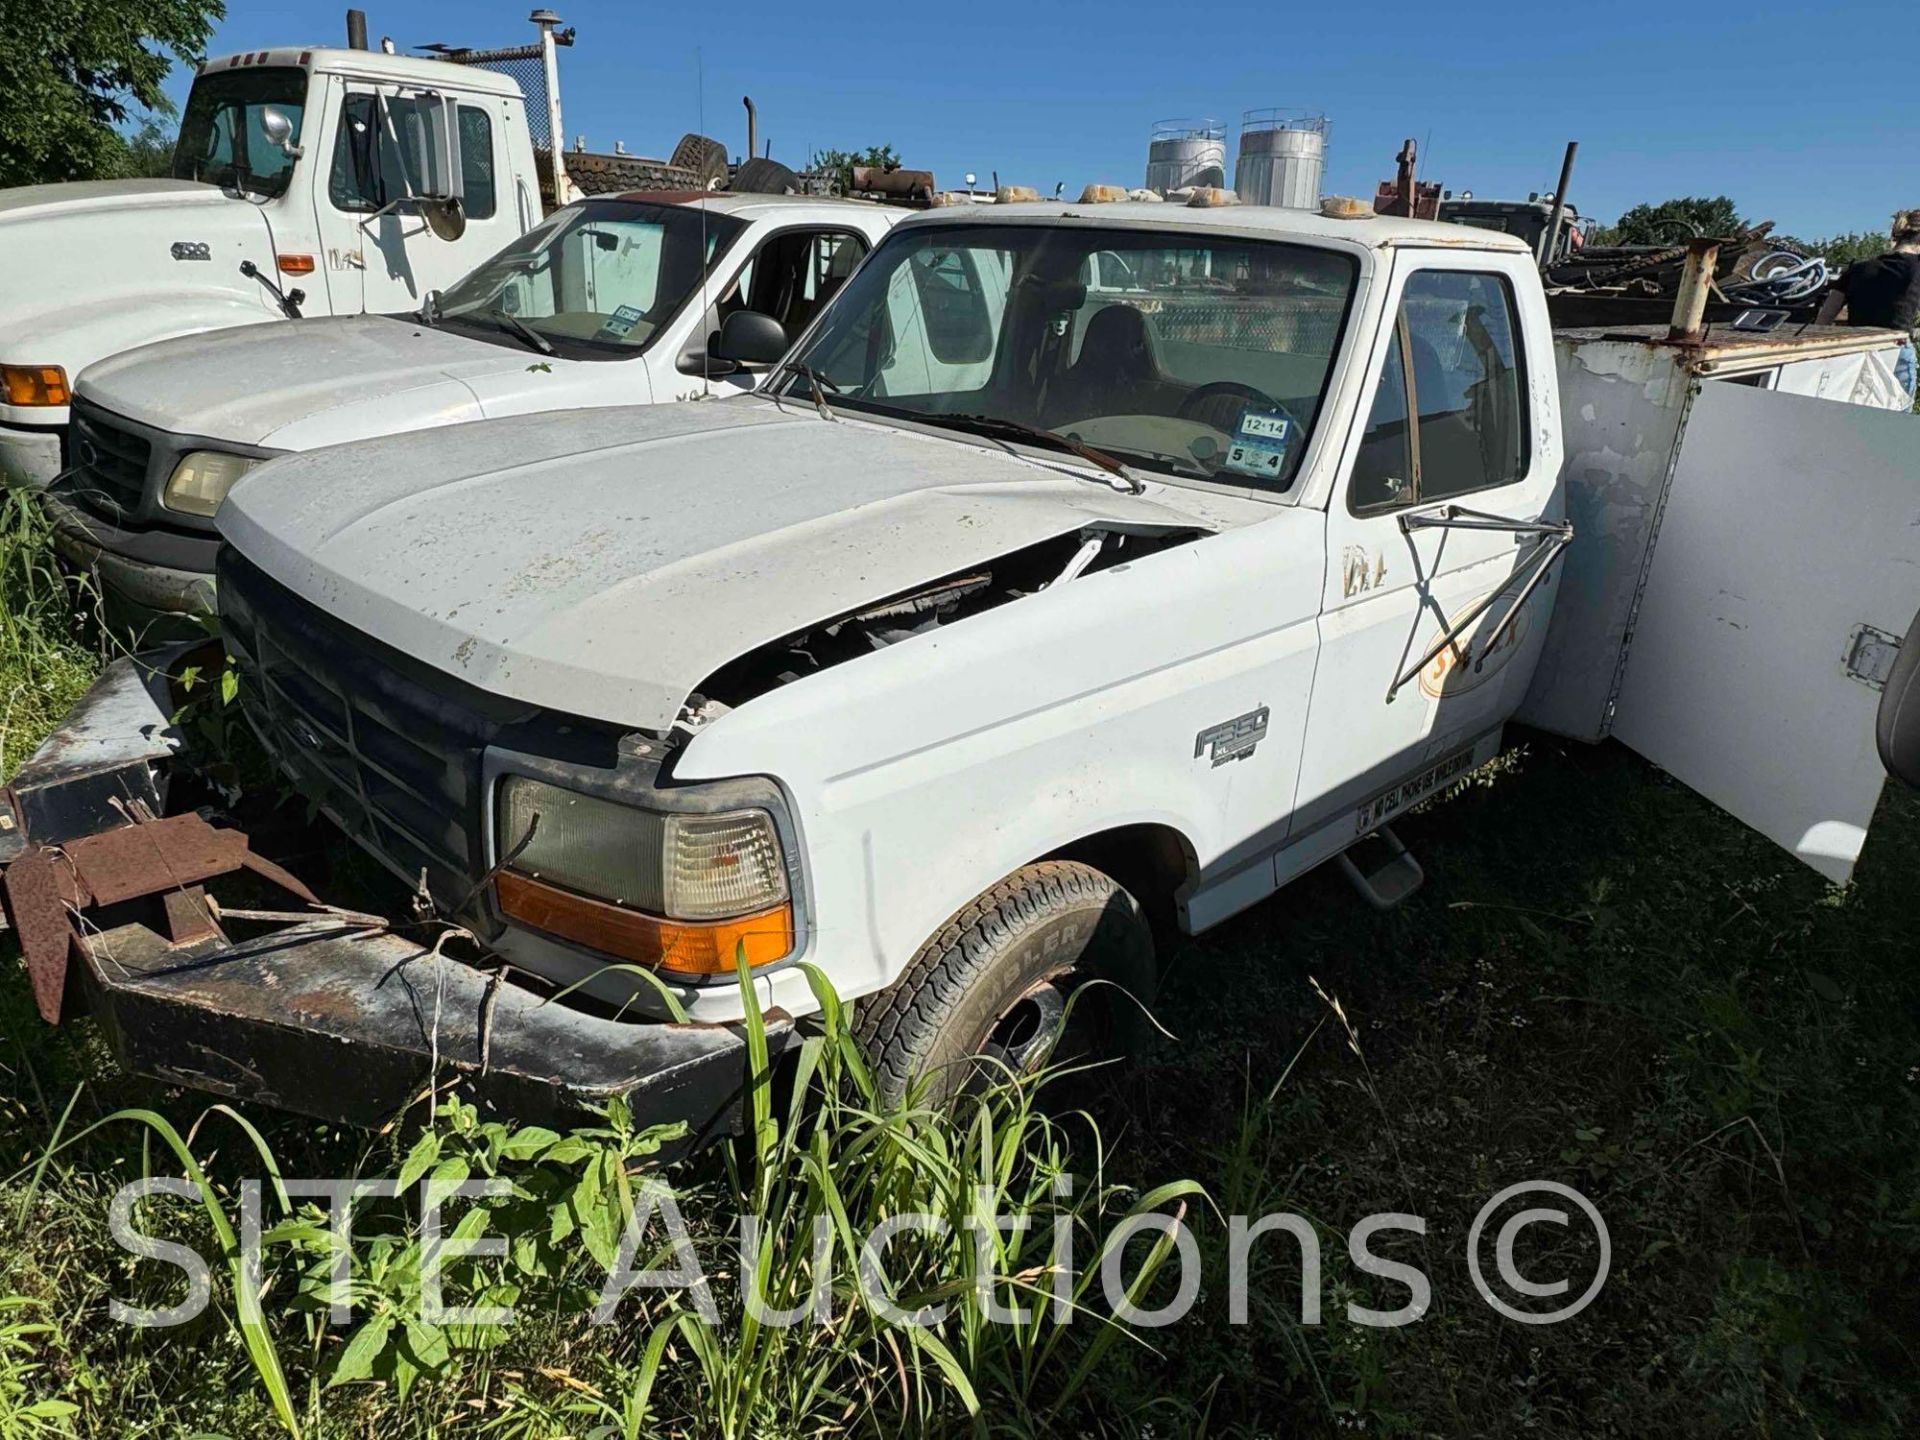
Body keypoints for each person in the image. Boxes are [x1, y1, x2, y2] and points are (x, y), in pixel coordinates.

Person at [1817, 209, 1920, 401]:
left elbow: (1825, 316)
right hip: (1896, 348)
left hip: (1857, 348)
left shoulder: (1859, 268)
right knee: (1898, 419)